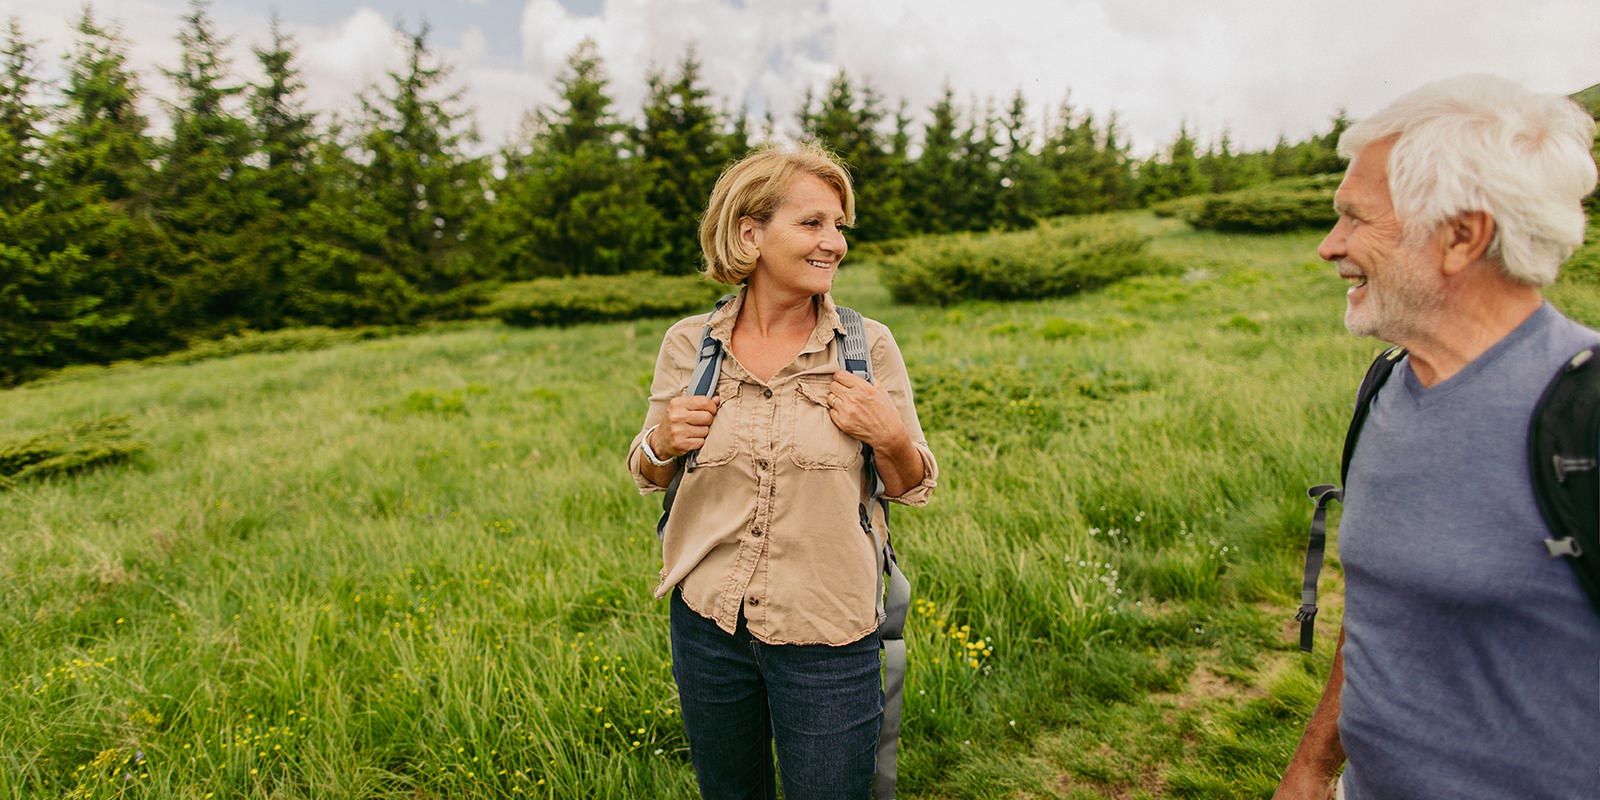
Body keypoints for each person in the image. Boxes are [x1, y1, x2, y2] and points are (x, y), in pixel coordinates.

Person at [1274, 75, 1600, 800]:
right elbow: (1381, 609)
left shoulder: (1586, 412)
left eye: (1357, 219)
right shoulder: (1387, 386)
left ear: (1462, 237)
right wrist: (1314, 765)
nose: (1331, 247)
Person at [627, 143, 938, 800]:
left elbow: (911, 485)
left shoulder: (866, 347)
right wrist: (661, 440)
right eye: (812, 223)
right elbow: (649, 471)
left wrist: (888, 435)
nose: (835, 244)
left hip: (829, 636)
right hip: (709, 628)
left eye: (839, 228)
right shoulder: (691, 345)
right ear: (751, 233)